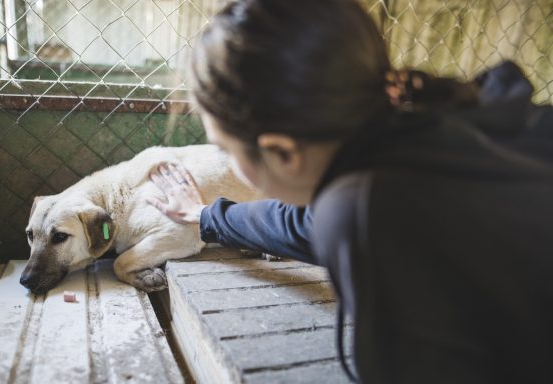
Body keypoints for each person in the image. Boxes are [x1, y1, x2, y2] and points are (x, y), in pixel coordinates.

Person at [146, 0, 553, 382]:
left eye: (225, 149)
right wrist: (206, 216)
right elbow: (301, 223)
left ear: (282, 152)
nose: (225, 159)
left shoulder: (364, 207)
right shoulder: (434, 126)